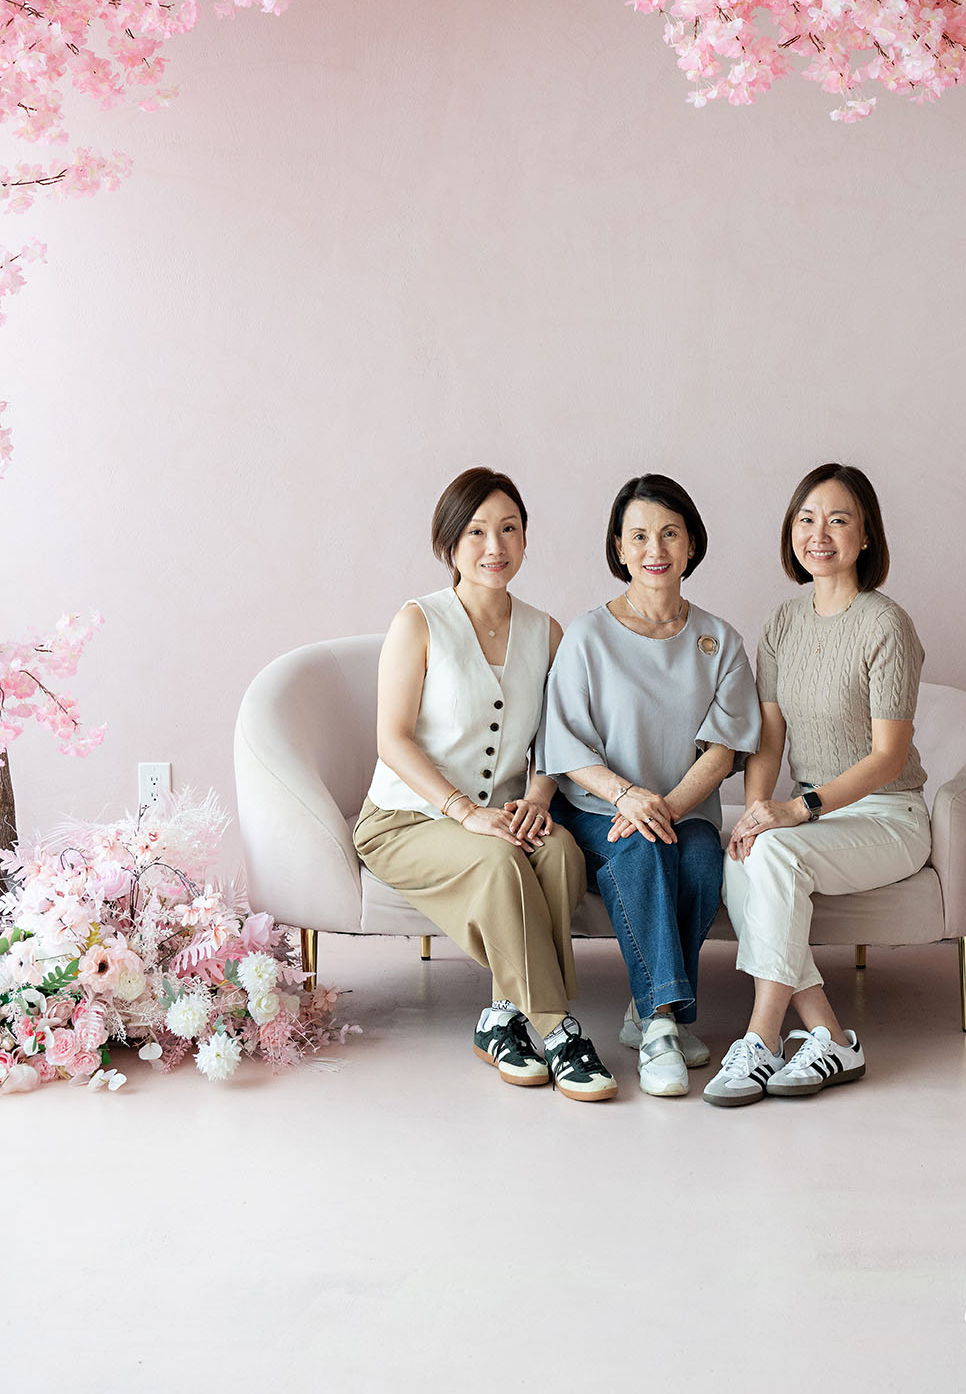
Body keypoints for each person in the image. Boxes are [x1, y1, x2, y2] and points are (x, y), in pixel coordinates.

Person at [353, 467, 616, 1102]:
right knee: (502, 862)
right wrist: (462, 812)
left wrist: (538, 799)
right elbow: (393, 739)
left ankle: (502, 1019)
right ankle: (557, 1028)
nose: (494, 546)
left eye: (508, 529)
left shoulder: (546, 631)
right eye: (476, 532)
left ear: (525, 540)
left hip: (500, 816)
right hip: (405, 820)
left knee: (557, 852)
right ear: (449, 543)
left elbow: (556, 740)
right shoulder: (419, 621)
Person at [704, 464, 932, 1107]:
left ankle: (760, 1038)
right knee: (746, 852)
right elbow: (769, 738)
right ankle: (831, 1036)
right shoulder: (782, 623)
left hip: (887, 816)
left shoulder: (886, 624)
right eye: (807, 518)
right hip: (815, 814)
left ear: (865, 537)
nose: (819, 534)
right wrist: (754, 812)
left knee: (773, 850)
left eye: (838, 519)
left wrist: (796, 810)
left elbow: (888, 758)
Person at [539, 473, 760, 1097]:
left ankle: (645, 1011)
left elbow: (724, 752)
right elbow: (564, 748)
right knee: (644, 845)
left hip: (682, 807)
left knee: (693, 853)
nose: (654, 548)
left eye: (669, 533)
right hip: (597, 807)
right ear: (619, 547)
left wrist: (663, 807)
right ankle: (662, 1022)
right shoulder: (587, 636)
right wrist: (628, 799)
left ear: (691, 544)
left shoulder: (721, 640)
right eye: (638, 535)